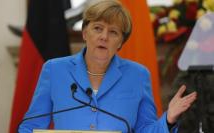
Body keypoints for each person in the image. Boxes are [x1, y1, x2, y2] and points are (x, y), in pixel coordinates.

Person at [19, 0, 197, 132]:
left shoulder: (138, 75)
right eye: (97, 28)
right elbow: (31, 125)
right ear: (84, 33)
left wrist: (169, 119)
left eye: (113, 32)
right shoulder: (55, 70)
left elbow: (145, 129)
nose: (104, 36)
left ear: (120, 42)